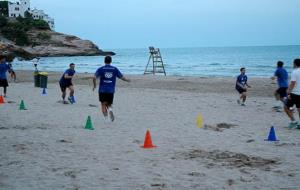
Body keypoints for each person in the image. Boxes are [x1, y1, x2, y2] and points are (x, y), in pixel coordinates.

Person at [93, 56, 130, 122]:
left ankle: (106, 119)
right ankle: (110, 109)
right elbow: (121, 77)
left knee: (103, 104)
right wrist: (127, 80)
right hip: (111, 90)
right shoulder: (114, 69)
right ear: (111, 61)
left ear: (104, 61)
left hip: (102, 90)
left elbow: (94, 77)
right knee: (109, 104)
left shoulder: (101, 69)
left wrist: (95, 85)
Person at [284, 59, 300, 129]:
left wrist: (288, 91)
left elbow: (292, 83)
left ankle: (293, 121)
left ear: (295, 64)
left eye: (293, 63)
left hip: (294, 93)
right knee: (299, 109)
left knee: (286, 107)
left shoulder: (295, 72)